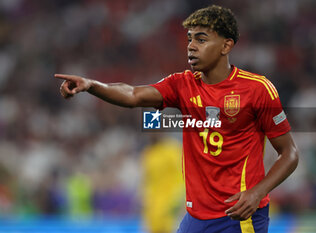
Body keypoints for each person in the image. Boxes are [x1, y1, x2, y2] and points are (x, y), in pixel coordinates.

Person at [55, 5, 299, 233]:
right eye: (190, 39)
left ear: (226, 46)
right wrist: (91, 85)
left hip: (239, 216)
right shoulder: (182, 84)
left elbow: (289, 153)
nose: (191, 46)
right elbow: (133, 94)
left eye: (201, 39)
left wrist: (257, 193)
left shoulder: (257, 89)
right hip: (195, 217)